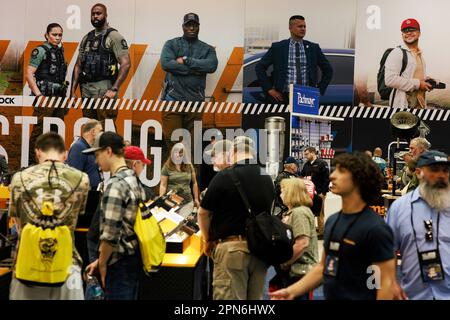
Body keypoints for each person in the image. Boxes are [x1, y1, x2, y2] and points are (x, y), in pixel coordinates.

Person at [270, 152, 397, 300]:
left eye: (341, 171)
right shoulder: (333, 221)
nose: (332, 176)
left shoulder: (376, 229)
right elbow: (323, 267)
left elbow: (385, 284)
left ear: (358, 180)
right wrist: (291, 291)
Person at [9, 132, 90, 300]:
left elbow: (17, 222)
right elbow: (77, 215)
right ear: (66, 153)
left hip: (27, 264)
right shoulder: (82, 179)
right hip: (66, 263)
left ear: (38, 152)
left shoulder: (18, 179)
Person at [198, 136, 274, 300]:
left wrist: (208, 239)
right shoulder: (266, 176)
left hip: (232, 249)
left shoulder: (225, 176)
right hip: (260, 249)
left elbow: (203, 212)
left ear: (233, 151)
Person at [84, 132, 145, 300]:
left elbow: (110, 235)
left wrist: (102, 262)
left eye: (97, 155)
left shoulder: (115, 185)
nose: (96, 161)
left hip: (118, 265)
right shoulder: (133, 178)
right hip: (132, 259)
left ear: (108, 151)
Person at [387, 150, 450, 300]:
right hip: (413, 295)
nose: (441, 175)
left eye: (446, 170)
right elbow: (386, 250)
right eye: (434, 170)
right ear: (419, 172)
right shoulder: (399, 208)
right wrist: (391, 283)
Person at [160, 12, 218, 153]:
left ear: (199, 27)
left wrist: (186, 60)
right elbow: (166, 64)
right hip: (173, 101)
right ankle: (175, 174)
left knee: (192, 147)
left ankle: (191, 175)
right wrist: (196, 69)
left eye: (194, 25)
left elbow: (211, 66)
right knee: (173, 143)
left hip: (195, 103)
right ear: (183, 27)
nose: (191, 28)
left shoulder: (207, 49)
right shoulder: (171, 44)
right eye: (188, 25)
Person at [70, 3, 131, 123]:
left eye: (98, 13)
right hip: (86, 90)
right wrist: (72, 91)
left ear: (106, 15)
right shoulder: (87, 37)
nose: (95, 16)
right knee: (90, 130)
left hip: (104, 90)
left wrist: (114, 89)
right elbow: (78, 65)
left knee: (106, 131)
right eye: (93, 14)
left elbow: (126, 64)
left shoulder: (114, 36)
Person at [255, 15, 333, 104]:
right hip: (283, 97)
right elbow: (259, 67)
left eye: (304, 26)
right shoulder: (278, 47)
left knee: (304, 119)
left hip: (307, 96)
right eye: (300, 26)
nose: (303, 29)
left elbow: (328, 70)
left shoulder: (313, 48)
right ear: (290, 28)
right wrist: (269, 89)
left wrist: (319, 89)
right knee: (284, 118)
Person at [27, 23, 68, 165]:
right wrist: (38, 95)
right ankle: (32, 163)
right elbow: (29, 74)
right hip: (45, 98)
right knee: (39, 132)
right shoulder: (41, 50)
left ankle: (52, 163)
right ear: (47, 35)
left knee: (56, 133)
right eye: (54, 34)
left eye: (60, 35)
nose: (57, 37)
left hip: (58, 99)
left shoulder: (60, 52)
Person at [277, 178, 319, 300]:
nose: (280, 194)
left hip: (301, 271)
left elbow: (302, 243)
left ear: (291, 192)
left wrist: (285, 262)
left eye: (283, 191)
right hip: (295, 271)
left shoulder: (299, 213)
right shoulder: (293, 212)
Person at [384, 18, 433, 108]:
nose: (408, 32)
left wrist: (425, 80)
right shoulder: (397, 52)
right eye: (405, 31)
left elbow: (410, 75)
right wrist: (418, 84)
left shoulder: (419, 54)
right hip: (403, 107)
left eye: (412, 30)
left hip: (419, 105)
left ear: (419, 33)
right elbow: (389, 79)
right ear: (402, 34)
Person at [160, 142, 200, 215]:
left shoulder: (189, 166)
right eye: (176, 152)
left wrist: (196, 199)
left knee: (183, 223)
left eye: (181, 153)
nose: (178, 155)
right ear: (172, 153)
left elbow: (194, 183)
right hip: (171, 202)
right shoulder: (167, 166)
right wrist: (161, 199)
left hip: (187, 201)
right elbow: (163, 185)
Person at [301, 146, 330, 236]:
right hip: (308, 193)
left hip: (319, 192)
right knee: (309, 212)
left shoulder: (322, 163)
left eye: (307, 154)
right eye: (305, 154)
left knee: (320, 213)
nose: (305, 156)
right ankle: (310, 231)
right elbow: (302, 176)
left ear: (313, 153)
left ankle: (321, 232)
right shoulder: (306, 164)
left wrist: (323, 192)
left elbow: (327, 179)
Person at [67, 120, 103, 190]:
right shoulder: (78, 147)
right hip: (85, 196)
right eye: (100, 131)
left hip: (93, 195)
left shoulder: (91, 148)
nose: (102, 134)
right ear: (93, 132)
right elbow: (74, 177)